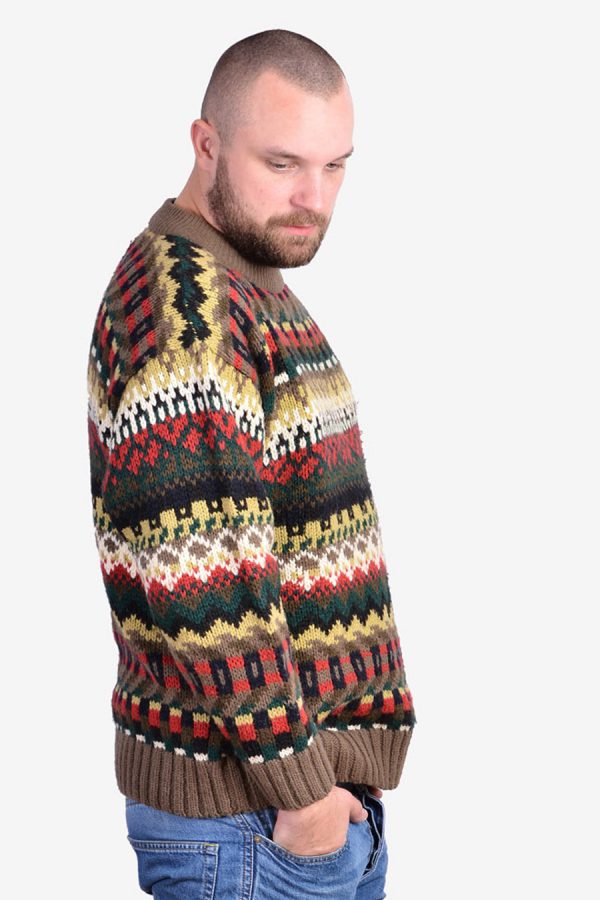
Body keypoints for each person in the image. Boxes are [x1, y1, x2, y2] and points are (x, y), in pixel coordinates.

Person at [87, 28, 416, 899]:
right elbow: (210, 587)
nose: (314, 198)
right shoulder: (187, 317)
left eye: (335, 166)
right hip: (252, 828)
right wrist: (303, 796)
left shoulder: (247, 282)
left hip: (287, 818)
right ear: (207, 144)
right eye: (282, 164)